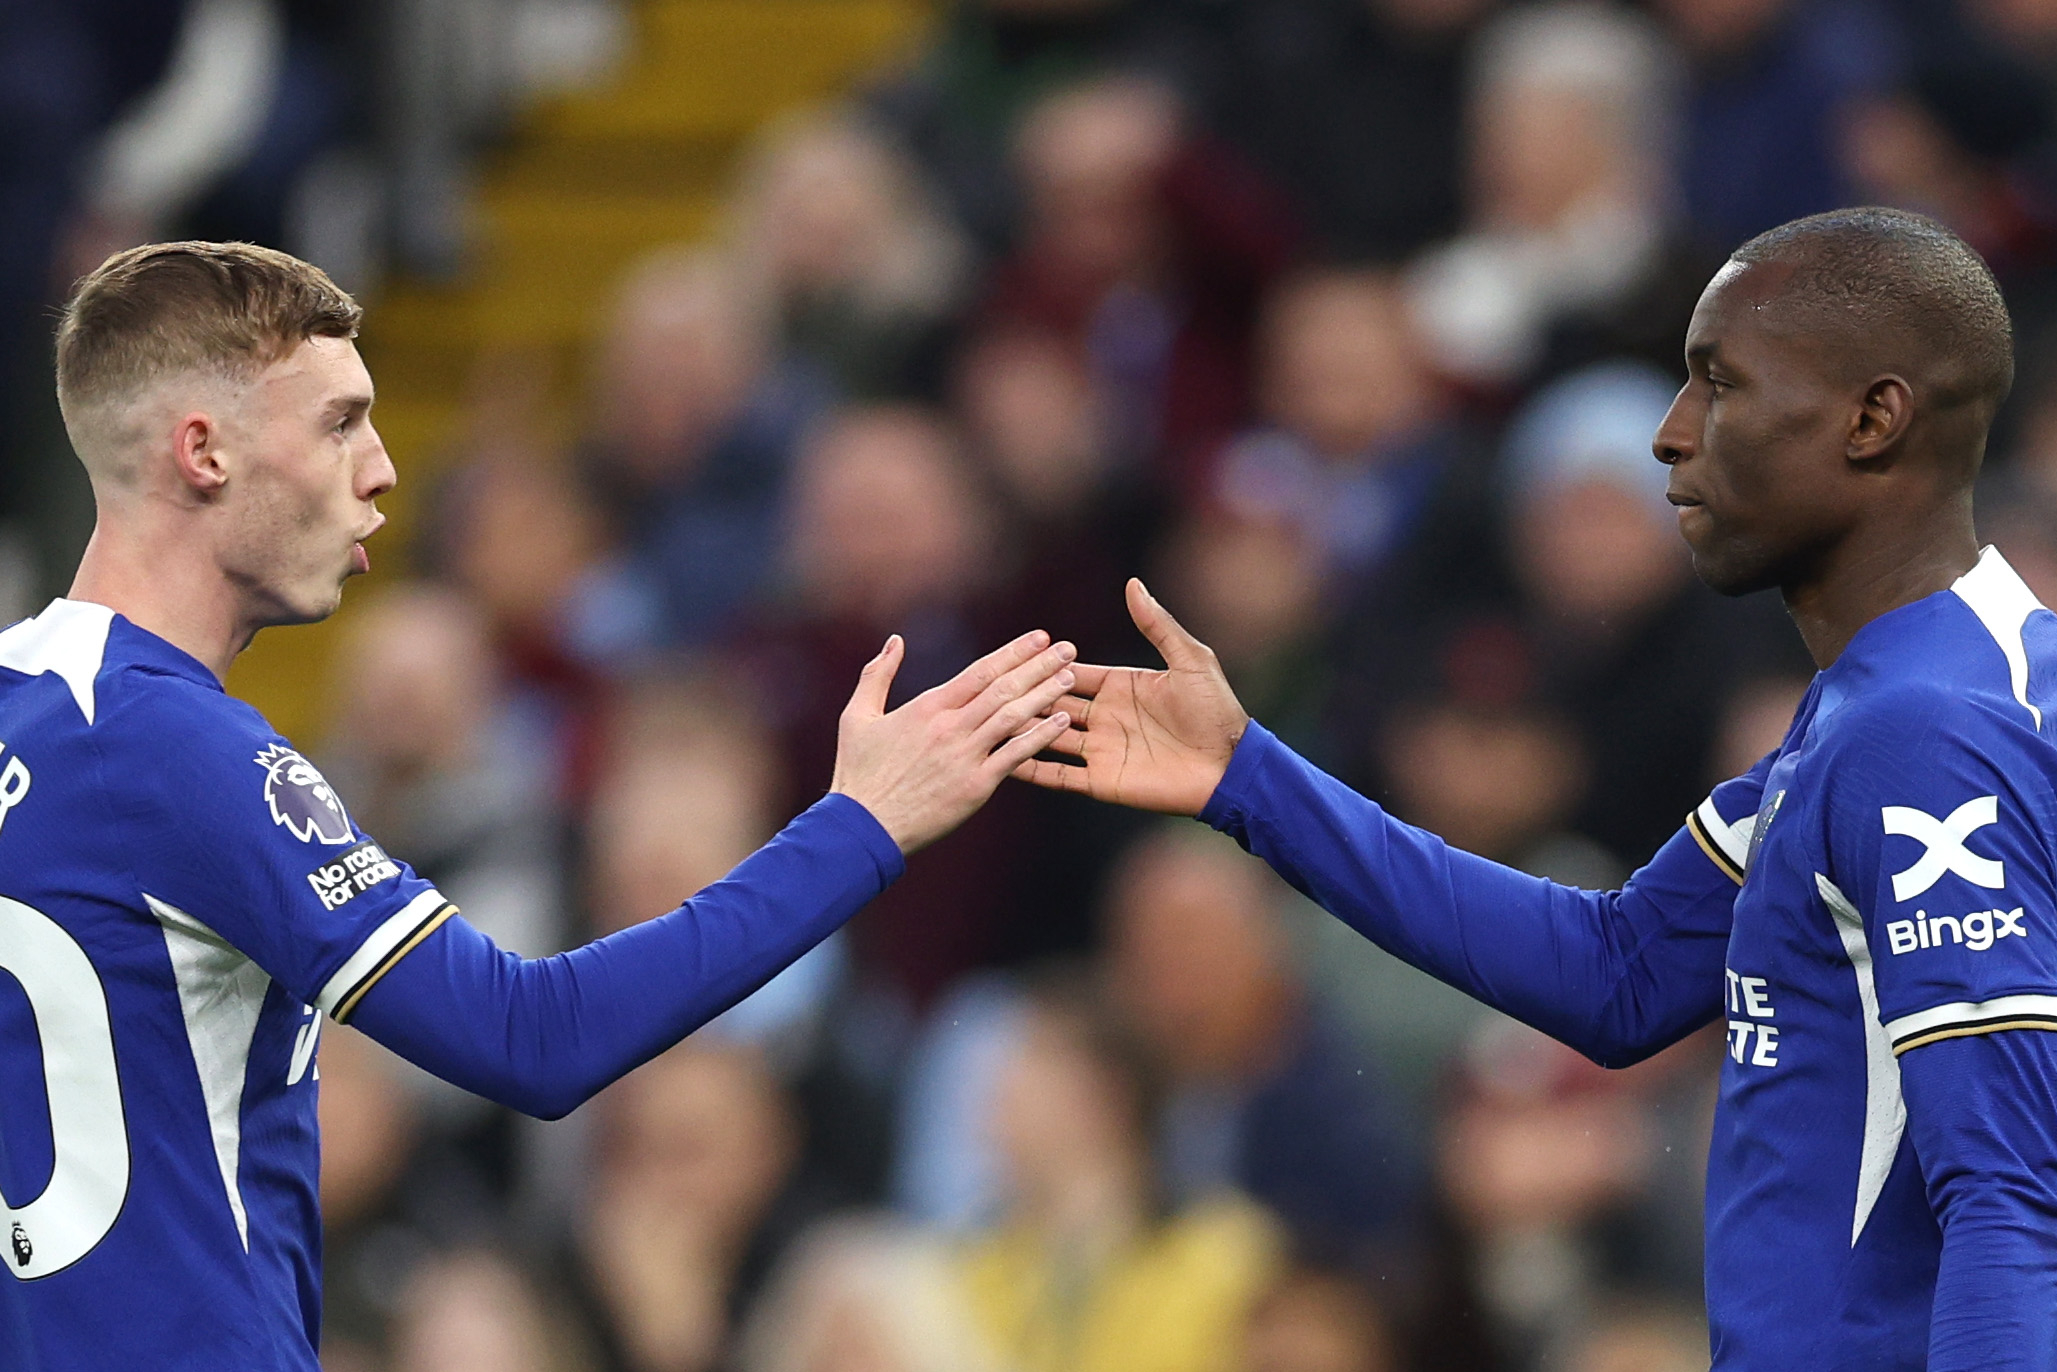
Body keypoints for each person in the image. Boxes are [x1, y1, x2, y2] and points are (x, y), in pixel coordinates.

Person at [0, 240, 1078, 1371]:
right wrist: (859, 824)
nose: (379, 468)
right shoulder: (181, 748)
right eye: (336, 422)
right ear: (204, 451)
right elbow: (532, 1036)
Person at [1019, 207, 2057, 1369]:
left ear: (1872, 419)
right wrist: (1243, 777)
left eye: (1719, 384)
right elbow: (1619, 971)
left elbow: (2012, 1197)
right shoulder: (1902, 695)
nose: (1669, 435)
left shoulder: (1925, 732)